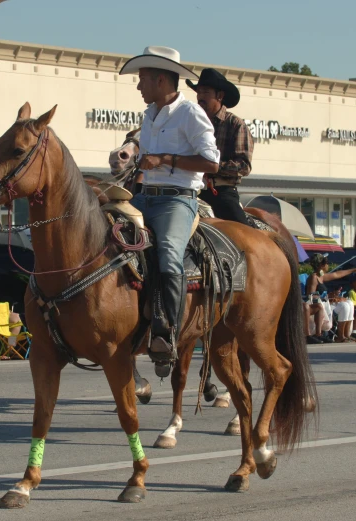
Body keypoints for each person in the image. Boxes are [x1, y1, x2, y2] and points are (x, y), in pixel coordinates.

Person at [119, 46, 220, 376]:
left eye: (142, 80)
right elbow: (143, 155)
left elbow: (211, 161)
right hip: (145, 195)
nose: (138, 87)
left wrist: (165, 160)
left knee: (167, 253)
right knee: (107, 236)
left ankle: (168, 334)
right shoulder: (150, 113)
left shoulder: (190, 113)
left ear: (160, 79)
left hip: (178, 200)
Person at [186, 68, 253, 225]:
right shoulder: (191, 123)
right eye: (199, 92)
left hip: (222, 193)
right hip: (192, 190)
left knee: (242, 234)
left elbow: (244, 166)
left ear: (220, 96)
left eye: (206, 92)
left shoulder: (235, 124)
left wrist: (211, 166)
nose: (200, 97)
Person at [304, 254, 356, 342]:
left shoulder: (320, 276)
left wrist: (354, 270)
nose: (328, 265)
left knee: (349, 303)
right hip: (318, 304)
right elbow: (311, 296)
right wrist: (329, 297)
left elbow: (337, 274)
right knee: (344, 306)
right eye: (327, 263)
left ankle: (346, 335)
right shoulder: (314, 277)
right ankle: (340, 337)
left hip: (326, 303)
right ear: (321, 265)